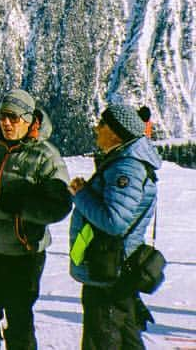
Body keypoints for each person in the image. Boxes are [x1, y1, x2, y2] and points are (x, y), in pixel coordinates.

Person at [0, 89, 72, 350]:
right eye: (2, 117)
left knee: (19, 325)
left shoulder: (45, 156)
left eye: (13, 117)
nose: (6, 123)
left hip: (23, 256)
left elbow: (60, 205)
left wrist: (22, 206)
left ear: (28, 119)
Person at [68, 103, 161, 349]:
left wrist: (81, 194)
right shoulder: (124, 161)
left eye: (102, 124)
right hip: (116, 266)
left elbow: (115, 221)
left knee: (102, 339)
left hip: (109, 269)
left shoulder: (126, 167)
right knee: (125, 336)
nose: (96, 128)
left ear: (117, 133)